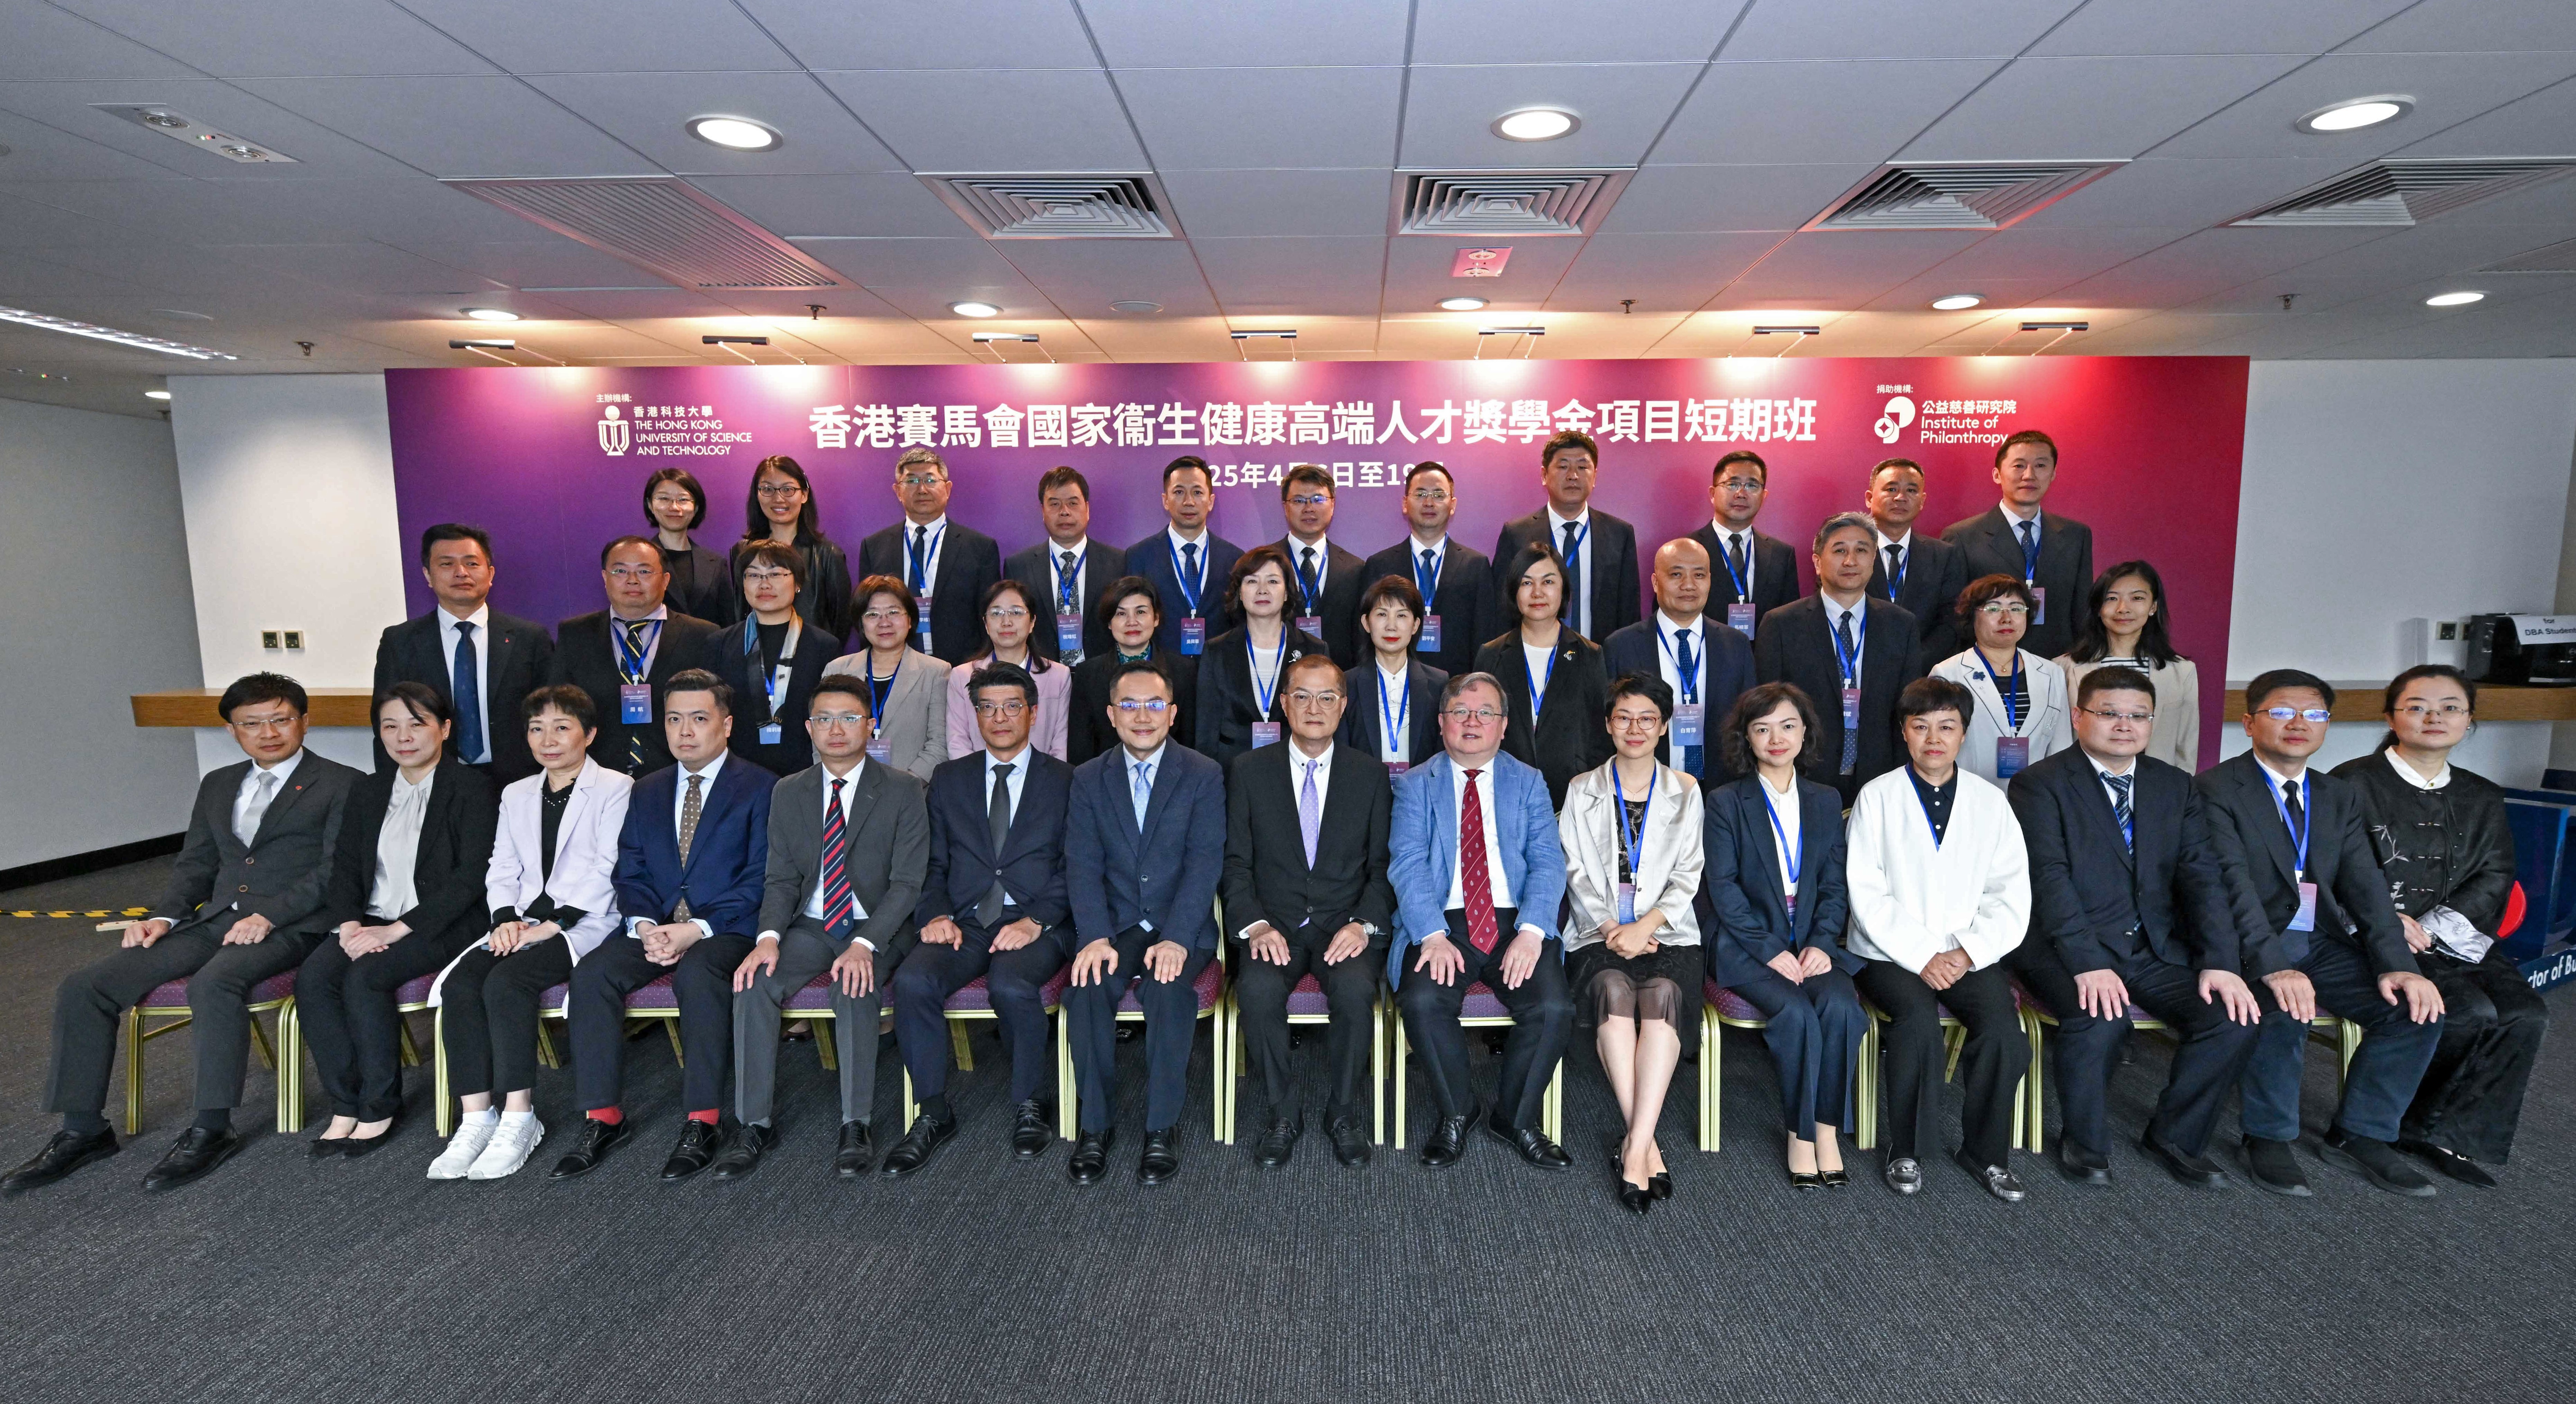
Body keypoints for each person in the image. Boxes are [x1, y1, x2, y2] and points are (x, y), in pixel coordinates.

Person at [8, 674, 360, 1195]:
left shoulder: (343, 782)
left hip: (293, 926)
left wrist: (271, 914)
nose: (268, 732)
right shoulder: (219, 783)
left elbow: (336, 871)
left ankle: (212, 1128)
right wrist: (164, 916)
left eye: (281, 719)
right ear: (232, 729)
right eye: (252, 723)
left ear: (304, 721)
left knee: (213, 983)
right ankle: (82, 1129)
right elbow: (196, 862)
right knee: (86, 985)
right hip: (214, 919)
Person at [2007, 667, 2260, 1189]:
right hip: (2061, 944)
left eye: (2137, 715)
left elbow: (2203, 878)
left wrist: (2221, 961)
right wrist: (2087, 961)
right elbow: (2048, 879)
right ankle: (2083, 1138)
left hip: (2153, 946)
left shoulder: (2174, 786)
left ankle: (2174, 1135)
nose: (2124, 725)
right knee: (2099, 1016)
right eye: (2108, 713)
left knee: (2232, 1017)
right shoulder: (2040, 783)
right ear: (2079, 717)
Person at [2197, 670, 2445, 1198]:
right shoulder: (2216, 789)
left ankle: (2361, 1134)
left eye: (2313, 714)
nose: (2298, 724)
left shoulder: (2338, 795)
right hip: (2246, 944)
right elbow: (2230, 887)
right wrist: (2272, 963)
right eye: (2282, 711)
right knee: (2284, 1008)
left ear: (2326, 726)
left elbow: (2367, 886)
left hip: (2317, 939)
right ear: (2248, 723)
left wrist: (2398, 963)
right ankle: (2266, 1135)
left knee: (2415, 1006)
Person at [550, 671, 772, 1182]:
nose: (685, 730)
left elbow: (762, 876)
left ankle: (703, 1120)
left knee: (698, 976)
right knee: (593, 974)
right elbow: (629, 868)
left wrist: (695, 928)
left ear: (727, 723)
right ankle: (603, 1117)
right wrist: (646, 923)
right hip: (653, 925)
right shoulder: (647, 788)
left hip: (726, 928)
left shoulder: (761, 786)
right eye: (674, 719)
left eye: (699, 718)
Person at [715, 672, 930, 1180]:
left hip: (876, 924)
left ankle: (856, 1122)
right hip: (810, 925)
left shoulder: (904, 789)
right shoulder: (790, 791)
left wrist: (863, 943)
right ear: (809, 727)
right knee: (754, 981)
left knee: (856, 984)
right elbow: (782, 877)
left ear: (870, 725)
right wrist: (767, 938)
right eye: (826, 718)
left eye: (850, 717)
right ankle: (754, 1123)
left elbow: (907, 884)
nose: (838, 728)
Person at [2332, 665, 2539, 1188]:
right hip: (2370, 932)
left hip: (2453, 934)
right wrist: (2385, 918)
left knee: (2524, 1012)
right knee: (2464, 1010)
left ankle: (2442, 1132)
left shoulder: (2482, 794)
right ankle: (2383, 1126)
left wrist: (2436, 926)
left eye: (2451, 707)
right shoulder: (2349, 783)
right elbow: (2323, 866)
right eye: (2418, 705)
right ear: (2390, 715)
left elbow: (2496, 872)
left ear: (2469, 721)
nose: (2434, 717)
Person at [423, 685, 632, 1182]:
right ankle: (477, 1117)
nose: (548, 739)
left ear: (590, 733)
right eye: (537, 728)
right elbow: (502, 865)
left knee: (507, 982)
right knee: (459, 984)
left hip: (584, 921)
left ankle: (520, 1115)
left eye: (562, 727)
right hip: (519, 920)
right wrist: (504, 919)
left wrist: (551, 926)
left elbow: (608, 866)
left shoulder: (616, 787)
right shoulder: (516, 792)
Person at [881, 663, 1077, 1176]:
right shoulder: (949, 778)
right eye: (987, 707)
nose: (1000, 716)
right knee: (914, 979)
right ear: (975, 715)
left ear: (1033, 713)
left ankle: (1031, 1102)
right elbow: (934, 862)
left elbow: (1074, 864)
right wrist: (937, 912)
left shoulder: (1067, 779)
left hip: (1037, 922)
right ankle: (932, 1110)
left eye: (1012, 705)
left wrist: (1037, 919)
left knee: (1012, 986)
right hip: (965, 920)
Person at [1844, 677, 2033, 1201]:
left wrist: (1966, 951)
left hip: (1966, 950)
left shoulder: (1991, 802)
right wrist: (1922, 953)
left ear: (1963, 733)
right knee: (1916, 1023)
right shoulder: (1877, 796)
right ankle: (1906, 1148)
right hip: (1891, 952)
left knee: (2003, 1029)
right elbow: (1866, 889)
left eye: (1946, 726)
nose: (1934, 736)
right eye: (1920, 725)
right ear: (1903, 732)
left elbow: (2009, 892)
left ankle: (1986, 1152)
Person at [297, 684, 498, 1159]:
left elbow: (472, 877)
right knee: (315, 978)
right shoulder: (368, 789)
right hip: (369, 918)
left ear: (444, 728)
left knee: (366, 977)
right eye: (390, 726)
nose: (403, 736)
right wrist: (347, 923)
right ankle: (344, 1104)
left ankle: (380, 1104)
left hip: (442, 922)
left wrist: (397, 929)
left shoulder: (473, 787)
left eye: (417, 723)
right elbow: (345, 866)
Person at [1388, 673, 1574, 1171]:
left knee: (1554, 1007)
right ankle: (1458, 1110)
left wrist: (1533, 931)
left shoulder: (1528, 780)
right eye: (1461, 712)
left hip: (1515, 918)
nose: (1473, 722)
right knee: (1423, 999)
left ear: (1503, 724)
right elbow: (1406, 861)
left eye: (1485, 712)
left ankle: (1514, 1118)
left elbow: (1548, 860)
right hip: (1441, 918)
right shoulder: (1413, 783)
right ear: (1443, 722)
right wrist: (1431, 933)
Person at [1227, 653, 1394, 1169]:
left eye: (1326, 697)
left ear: (1343, 706)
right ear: (1284, 704)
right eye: (1302, 695)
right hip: (1272, 925)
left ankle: (1342, 1111)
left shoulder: (1370, 775)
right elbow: (1235, 862)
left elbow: (1383, 866)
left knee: (1352, 990)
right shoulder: (1249, 771)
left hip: (1344, 924)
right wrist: (1254, 923)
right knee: (1254, 990)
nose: (1313, 707)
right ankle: (1282, 1112)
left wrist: (1362, 923)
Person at [1062, 662, 1227, 1185]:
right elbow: (1082, 865)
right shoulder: (1087, 779)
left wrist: (1178, 935)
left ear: (1173, 714)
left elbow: (1205, 862)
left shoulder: (1203, 773)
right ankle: (1095, 1126)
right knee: (1086, 988)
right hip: (1112, 924)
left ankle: (1160, 1127)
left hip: (1182, 924)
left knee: (1167, 989)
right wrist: (1093, 936)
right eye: (1129, 705)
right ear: (1111, 715)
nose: (1142, 715)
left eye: (1154, 704)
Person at [1699, 683, 1867, 1189]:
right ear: (1746, 738)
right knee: (1794, 1012)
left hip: (1813, 941)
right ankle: (1799, 1132)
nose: (1777, 737)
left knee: (1841, 1009)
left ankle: (1826, 1127)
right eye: (1762, 727)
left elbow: (1835, 884)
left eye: (1788, 725)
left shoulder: (1825, 799)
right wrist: (1771, 949)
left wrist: (1820, 941)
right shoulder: (1726, 801)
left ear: (1805, 733)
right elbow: (1723, 889)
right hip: (1748, 942)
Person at [1559, 675, 1705, 1213]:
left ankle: (1635, 1145)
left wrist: (1646, 926)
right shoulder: (1582, 788)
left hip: (1668, 933)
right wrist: (1610, 928)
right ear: (1607, 724)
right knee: (1613, 989)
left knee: (1662, 992)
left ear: (1665, 726)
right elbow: (1573, 871)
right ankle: (1645, 1144)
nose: (1635, 727)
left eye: (1648, 717)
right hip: (1597, 934)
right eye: (1624, 716)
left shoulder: (1687, 790)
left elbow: (1689, 873)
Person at [1753, 512, 1927, 806]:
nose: (1850, 561)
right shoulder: (1782, 624)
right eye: (1839, 550)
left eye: (1861, 550)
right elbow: (1766, 709)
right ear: (1818, 561)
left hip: (1881, 775)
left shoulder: (1901, 624)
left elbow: (1908, 707)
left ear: (1874, 560)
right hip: (1804, 774)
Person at [370, 523, 554, 782]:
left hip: (520, 781)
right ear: (428, 576)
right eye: (446, 564)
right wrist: (393, 787)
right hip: (432, 780)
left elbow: (551, 714)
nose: (461, 573)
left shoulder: (530, 638)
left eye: (472, 563)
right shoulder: (400, 641)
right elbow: (383, 721)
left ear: (490, 574)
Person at [550, 535, 721, 776]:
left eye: (644, 571)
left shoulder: (704, 635)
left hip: (679, 773)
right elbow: (560, 708)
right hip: (598, 775)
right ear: (604, 578)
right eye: (620, 571)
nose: (632, 580)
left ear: (665, 580)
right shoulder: (575, 634)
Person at [1605, 537, 1755, 782]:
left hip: (1722, 790)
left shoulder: (1735, 645)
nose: (1688, 585)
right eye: (1676, 575)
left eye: (1699, 575)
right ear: (1655, 582)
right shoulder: (1621, 646)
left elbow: (1749, 720)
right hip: (1645, 787)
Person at [1475, 543, 1612, 808]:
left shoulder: (1590, 654)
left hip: (1572, 799)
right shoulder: (1491, 654)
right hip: (1504, 795)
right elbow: (1479, 725)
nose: (1537, 592)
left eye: (1548, 581)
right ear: (1514, 591)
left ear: (1564, 590)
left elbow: (1599, 736)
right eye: (1527, 583)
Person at [1940, 429, 2095, 660]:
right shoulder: (1962, 536)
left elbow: (2082, 611)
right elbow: (1953, 617)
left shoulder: (2076, 535)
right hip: (1986, 664)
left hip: (2057, 664)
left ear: (2053, 474)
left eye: (2041, 466)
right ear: (1997, 474)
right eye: (2019, 466)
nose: (2029, 475)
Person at [1495, 428, 1641, 644]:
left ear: (1595, 476)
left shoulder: (1619, 535)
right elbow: (1503, 609)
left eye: (1582, 467)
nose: (1573, 475)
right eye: (1563, 466)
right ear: (1545, 475)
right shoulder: (1516, 534)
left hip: (1599, 663)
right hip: (1532, 661)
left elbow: (1628, 610)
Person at [859, 446, 1001, 664]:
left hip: (963, 669)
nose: (922, 489)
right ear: (898, 491)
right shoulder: (875, 547)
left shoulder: (980, 548)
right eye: (912, 481)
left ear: (948, 489)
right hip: (895, 667)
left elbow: (989, 616)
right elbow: (865, 614)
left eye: (931, 480)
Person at [1361, 461, 1498, 679]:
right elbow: (1365, 638)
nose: (1429, 503)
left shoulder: (1476, 565)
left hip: (1458, 686)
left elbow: (1484, 637)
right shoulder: (1380, 565)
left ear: (1453, 504)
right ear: (1405, 503)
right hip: (1392, 684)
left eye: (1438, 495)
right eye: (1421, 494)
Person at [1930, 574, 2073, 784]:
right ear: (1972, 616)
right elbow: (1937, 746)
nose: (2007, 618)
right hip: (1969, 796)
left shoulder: (2052, 673)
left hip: (2036, 800)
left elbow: (2061, 747)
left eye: (2016, 609)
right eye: (1993, 609)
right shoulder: (1947, 674)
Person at [1195, 545, 1328, 770]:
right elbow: (1206, 734)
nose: (1262, 590)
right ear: (1239, 592)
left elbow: (1324, 727)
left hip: (1297, 772)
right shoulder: (1216, 651)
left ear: (1287, 592)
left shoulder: (1313, 650)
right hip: (1233, 774)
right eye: (1252, 581)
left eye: (1273, 581)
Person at [2061, 561, 2199, 771]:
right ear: (2098, 608)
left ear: (2153, 606)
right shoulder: (2065, 668)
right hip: (2081, 785)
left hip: (2155, 788)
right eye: (2112, 599)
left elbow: (2185, 748)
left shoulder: (2182, 672)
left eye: (2137, 598)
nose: (2123, 609)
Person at [709, 540, 830, 777]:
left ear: (797, 583)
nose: (764, 584)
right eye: (753, 575)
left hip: (806, 772)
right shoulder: (719, 645)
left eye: (775, 574)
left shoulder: (824, 646)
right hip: (736, 775)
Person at [825, 576, 951, 782]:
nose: (884, 622)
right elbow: (823, 737)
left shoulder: (936, 672)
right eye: (873, 614)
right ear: (861, 624)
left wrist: (901, 791)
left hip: (912, 795)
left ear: (910, 620)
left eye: (894, 612)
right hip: (848, 792)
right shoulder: (837, 670)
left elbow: (939, 745)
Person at [1005, 465, 1125, 668]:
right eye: (1055, 504)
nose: (1065, 512)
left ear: (1087, 509)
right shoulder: (1018, 566)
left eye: (1073, 503)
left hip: (1103, 674)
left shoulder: (1118, 562)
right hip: (1040, 676)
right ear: (1042, 511)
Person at [1069, 577, 1196, 766]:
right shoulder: (1088, 674)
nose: (1132, 622)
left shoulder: (1183, 671)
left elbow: (1189, 739)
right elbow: (1081, 747)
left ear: (1156, 618)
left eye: (1141, 612)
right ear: (1110, 623)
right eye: (1121, 614)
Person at [733, 453, 856, 647]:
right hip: (755, 657)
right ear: (757, 495)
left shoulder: (827, 554)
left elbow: (841, 621)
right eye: (767, 489)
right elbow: (738, 612)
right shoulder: (742, 551)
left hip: (812, 659)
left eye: (788, 489)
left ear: (804, 495)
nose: (778, 498)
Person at [944, 578, 1074, 761]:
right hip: (980, 782)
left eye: (1016, 612)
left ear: (1032, 622)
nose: (1006, 622)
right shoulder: (962, 676)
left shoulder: (1058, 676)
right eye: (996, 613)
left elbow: (1060, 745)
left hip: (1040, 782)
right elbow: (958, 743)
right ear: (986, 624)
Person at [1126, 455, 1242, 658]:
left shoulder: (1234, 558)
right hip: (1160, 673)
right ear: (1166, 501)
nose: (1189, 502)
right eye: (1179, 492)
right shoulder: (1140, 556)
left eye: (1198, 492)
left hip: (1218, 670)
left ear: (1211, 501)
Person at [1687, 450, 1799, 640]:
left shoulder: (1782, 555)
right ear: (1713, 494)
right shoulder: (1686, 549)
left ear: (1764, 496)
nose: (1742, 493)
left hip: (1762, 664)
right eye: (1732, 484)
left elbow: (1790, 624)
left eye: (1752, 486)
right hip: (1704, 661)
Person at [1863, 457, 1969, 656]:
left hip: (1923, 673)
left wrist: (1915, 662)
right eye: (1891, 489)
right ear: (1870, 498)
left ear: (1922, 501)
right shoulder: (1848, 553)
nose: (1901, 498)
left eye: (1911, 491)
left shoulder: (1944, 555)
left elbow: (1951, 622)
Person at [1339, 575, 1446, 771]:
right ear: (1366, 623)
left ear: (1415, 625)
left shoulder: (1439, 683)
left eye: (1402, 615)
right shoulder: (1347, 684)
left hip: (1422, 795)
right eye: (1382, 615)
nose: (1391, 626)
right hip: (1365, 794)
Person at [1276, 463, 1367, 668]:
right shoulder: (1266, 564)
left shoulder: (1356, 569)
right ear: (1285, 506)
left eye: (1318, 499)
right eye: (1299, 500)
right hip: (1278, 678)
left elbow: (1360, 638)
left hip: (1339, 680)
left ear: (1333, 505)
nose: (1309, 508)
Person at [644, 466, 739, 627]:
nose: (674, 507)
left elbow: (728, 625)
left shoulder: (716, 563)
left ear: (696, 508)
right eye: (664, 499)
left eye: (683, 500)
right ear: (651, 505)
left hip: (708, 650)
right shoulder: (639, 561)